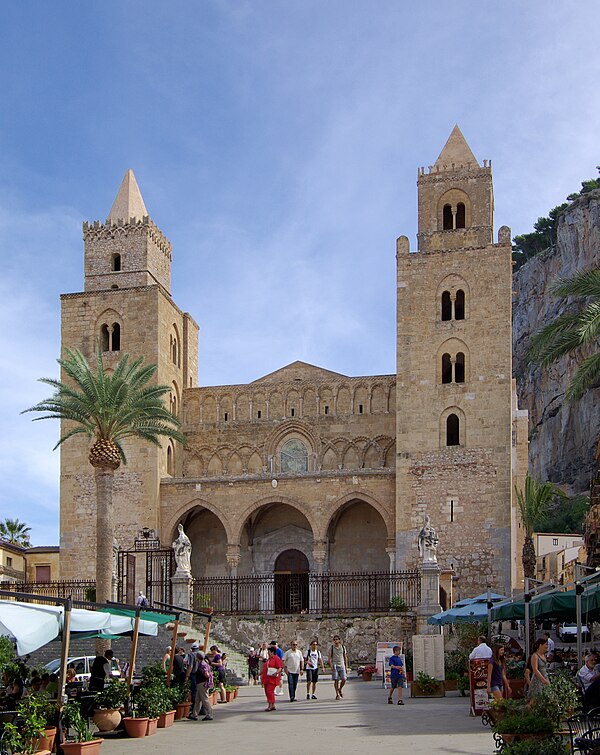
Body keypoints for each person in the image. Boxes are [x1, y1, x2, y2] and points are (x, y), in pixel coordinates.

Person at [188, 650, 214, 721]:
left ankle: (209, 713)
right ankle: (194, 714)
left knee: (205, 699)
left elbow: (206, 674)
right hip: (200, 683)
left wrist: (207, 676)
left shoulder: (202, 664)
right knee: (198, 700)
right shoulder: (204, 663)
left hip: (202, 684)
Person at [261, 645, 284, 711]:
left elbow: (280, 667)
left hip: (272, 678)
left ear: (272, 652)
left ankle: (270, 705)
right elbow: (265, 668)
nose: (268, 653)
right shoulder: (269, 659)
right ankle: (272, 705)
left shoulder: (276, 659)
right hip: (266, 678)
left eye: (269, 652)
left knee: (269, 691)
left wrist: (276, 672)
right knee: (267, 692)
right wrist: (259, 674)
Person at [329, 635, 348, 700]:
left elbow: (345, 657)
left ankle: (340, 689)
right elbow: (330, 657)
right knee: (336, 680)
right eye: (334, 639)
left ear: (339, 640)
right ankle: (337, 694)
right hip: (335, 665)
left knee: (344, 679)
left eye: (337, 639)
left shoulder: (343, 647)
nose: (335, 641)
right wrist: (331, 665)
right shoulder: (332, 648)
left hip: (342, 664)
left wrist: (346, 666)